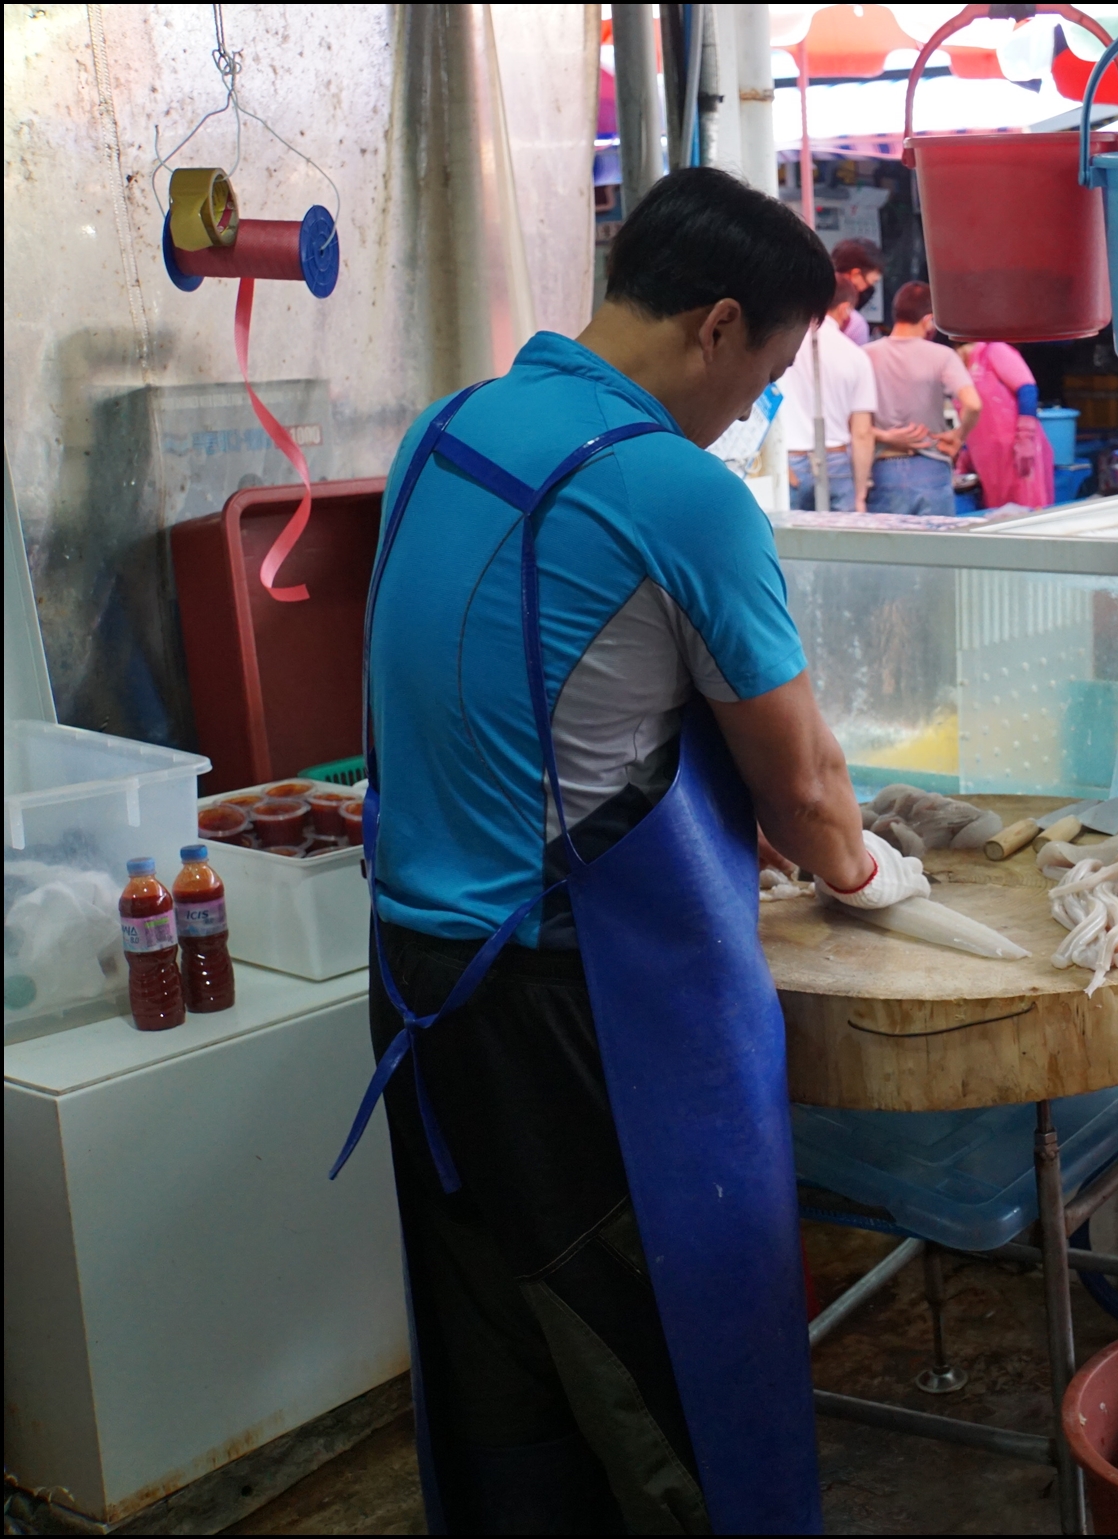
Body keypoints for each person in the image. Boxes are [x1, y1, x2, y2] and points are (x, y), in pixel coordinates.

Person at [355, 166, 929, 1534]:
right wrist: (870, 873)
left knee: (508, 1385)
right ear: (716, 325)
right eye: (767, 377)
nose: (754, 410)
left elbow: (512, 717)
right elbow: (805, 788)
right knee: (669, 1391)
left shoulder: (446, 427)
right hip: (572, 1018)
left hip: (416, 991)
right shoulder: (674, 491)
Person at [863, 281, 980, 517]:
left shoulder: (865, 355)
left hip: (883, 468)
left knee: (888, 541)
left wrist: (883, 435)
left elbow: (850, 422)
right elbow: (974, 404)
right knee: (935, 541)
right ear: (928, 320)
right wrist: (958, 436)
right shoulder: (942, 356)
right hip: (932, 466)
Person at [782, 275, 877, 510]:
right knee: (842, 534)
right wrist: (860, 493)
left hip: (789, 461)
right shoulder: (856, 356)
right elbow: (862, 433)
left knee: (786, 534)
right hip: (836, 462)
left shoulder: (781, 346)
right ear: (844, 309)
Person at [957, 338, 1054, 510]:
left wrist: (1025, 438)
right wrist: (965, 453)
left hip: (1017, 453)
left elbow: (1027, 389)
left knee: (1027, 512)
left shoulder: (994, 351)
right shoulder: (959, 372)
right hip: (988, 460)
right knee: (999, 515)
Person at [830, 237, 882, 346]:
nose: (869, 289)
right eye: (871, 282)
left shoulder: (805, 306)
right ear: (855, 274)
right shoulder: (856, 325)